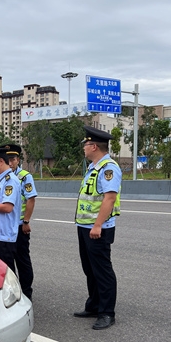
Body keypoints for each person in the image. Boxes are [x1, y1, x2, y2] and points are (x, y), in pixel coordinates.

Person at [74, 126, 122, 330]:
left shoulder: (108, 168)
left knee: (102, 271)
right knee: (90, 269)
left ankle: (107, 313)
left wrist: (97, 225)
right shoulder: (93, 167)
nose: (83, 148)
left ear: (94, 146)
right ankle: (94, 305)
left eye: (85, 145)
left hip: (98, 228)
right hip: (85, 226)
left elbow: (109, 199)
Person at [5, 144, 38, 300]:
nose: (10, 163)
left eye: (13, 159)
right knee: (7, 262)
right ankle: (13, 293)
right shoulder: (3, 176)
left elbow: (31, 199)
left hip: (19, 226)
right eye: (7, 159)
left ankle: (26, 293)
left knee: (22, 261)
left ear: (18, 160)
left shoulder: (24, 177)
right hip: (6, 226)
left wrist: (26, 221)